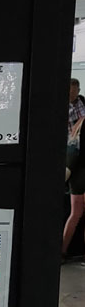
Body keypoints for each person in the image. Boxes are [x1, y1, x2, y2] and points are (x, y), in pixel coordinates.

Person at [62, 79, 85, 263]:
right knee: (76, 212)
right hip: (75, 163)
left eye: (74, 91)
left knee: (76, 212)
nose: (72, 94)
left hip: (76, 162)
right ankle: (62, 250)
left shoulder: (82, 104)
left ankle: (64, 251)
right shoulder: (63, 110)